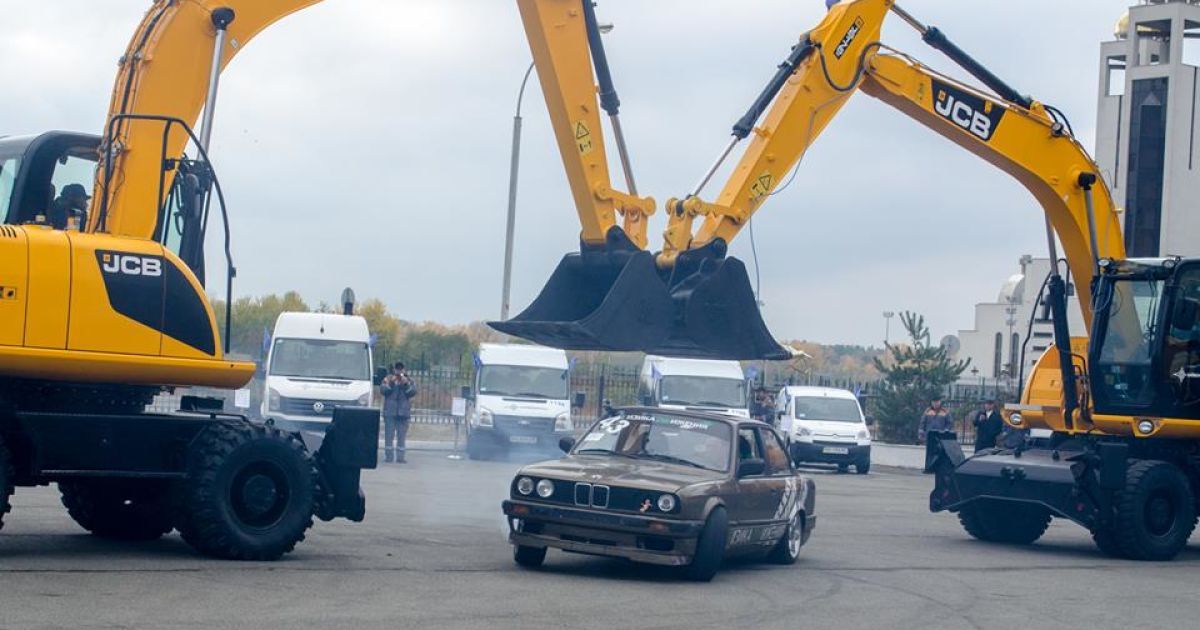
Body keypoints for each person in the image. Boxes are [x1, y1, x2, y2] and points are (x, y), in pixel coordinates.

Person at [380, 361, 417, 463]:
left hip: (403, 413)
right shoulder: (387, 379)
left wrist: (405, 384)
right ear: (394, 369)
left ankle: (400, 457)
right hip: (390, 412)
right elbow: (383, 390)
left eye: (401, 369)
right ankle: (389, 457)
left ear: (404, 370)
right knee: (389, 435)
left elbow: (412, 392)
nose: (399, 371)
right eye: (397, 369)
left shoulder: (409, 380)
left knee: (401, 436)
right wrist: (392, 383)